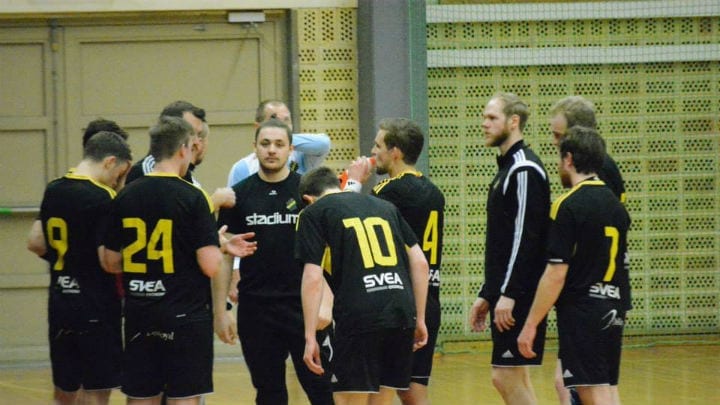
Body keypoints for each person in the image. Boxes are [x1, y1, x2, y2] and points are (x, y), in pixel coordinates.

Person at [102, 116, 229, 405]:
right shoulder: (193, 197)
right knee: (183, 397)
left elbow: (109, 261)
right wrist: (214, 245)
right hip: (184, 317)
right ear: (183, 149)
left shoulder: (125, 196)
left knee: (141, 396)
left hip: (139, 314)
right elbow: (210, 265)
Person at [215, 119, 333, 405]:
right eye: (265, 143)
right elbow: (224, 253)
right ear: (254, 148)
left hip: (303, 308)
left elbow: (328, 252)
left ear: (291, 149)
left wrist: (328, 303)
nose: (271, 150)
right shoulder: (238, 195)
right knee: (269, 394)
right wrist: (221, 310)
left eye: (279, 144)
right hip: (257, 310)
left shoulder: (305, 193)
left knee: (322, 391)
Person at [295, 166, 429, 405]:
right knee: (382, 400)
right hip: (400, 312)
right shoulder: (385, 207)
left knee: (348, 399)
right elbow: (420, 263)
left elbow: (312, 277)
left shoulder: (312, 213)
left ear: (308, 199)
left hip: (359, 315)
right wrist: (419, 318)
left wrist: (309, 337)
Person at [518, 126, 631, 405]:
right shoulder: (615, 205)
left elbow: (556, 273)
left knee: (591, 392)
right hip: (613, 306)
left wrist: (531, 323)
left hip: (583, 311)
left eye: (560, 158)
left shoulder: (567, 205)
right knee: (604, 388)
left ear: (568, 159)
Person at [27, 131, 133, 405]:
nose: (117, 181)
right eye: (119, 174)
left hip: (60, 302)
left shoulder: (54, 189)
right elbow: (108, 260)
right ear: (110, 162)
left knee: (64, 387)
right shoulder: (103, 197)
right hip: (95, 306)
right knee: (96, 389)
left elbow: (37, 242)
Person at [344, 118, 444, 405]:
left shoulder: (387, 192)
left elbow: (347, 219)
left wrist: (354, 183)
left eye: (378, 146)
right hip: (429, 297)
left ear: (395, 152)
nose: (373, 152)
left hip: (397, 301)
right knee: (414, 390)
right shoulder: (434, 191)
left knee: (380, 389)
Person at [468, 93, 550, 405]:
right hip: (507, 291)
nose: (484, 123)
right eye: (484, 117)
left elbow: (525, 238)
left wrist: (510, 293)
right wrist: (488, 293)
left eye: (492, 118)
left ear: (513, 122)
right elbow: (500, 245)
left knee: (503, 376)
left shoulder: (524, 169)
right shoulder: (507, 169)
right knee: (516, 375)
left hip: (521, 292)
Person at [548, 95, 630, 405]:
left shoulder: (598, 172)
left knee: (582, 384)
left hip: (593, 294)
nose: (555, 143)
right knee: (597, 384)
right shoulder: (604, 167)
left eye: (559, 136)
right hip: (605, 289)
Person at [126, 100, 235, 211]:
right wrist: (213, 203)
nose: (197, 142)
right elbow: (168, 213)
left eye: (199, 135)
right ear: (171, 130)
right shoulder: (146, 171)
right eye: (191, 133)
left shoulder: (190, 180)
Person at [226, 99, 330, 186]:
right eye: (274, 120)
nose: (281, 125)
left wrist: (283, 139)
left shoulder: (301, 156)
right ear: (258, 127)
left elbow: (323, 143)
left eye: (286, 121)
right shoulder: (243, 168)